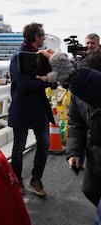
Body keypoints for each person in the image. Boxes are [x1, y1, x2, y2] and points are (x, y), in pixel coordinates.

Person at [8, 22, 56, 197]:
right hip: (22, 107)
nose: (44, 38)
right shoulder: (18, 56)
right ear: (36, 37)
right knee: (18, 148)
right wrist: (45, 80)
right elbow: (24, 84)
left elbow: (50, 79)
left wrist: (49, 79)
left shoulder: (40, 54)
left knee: (44, 144)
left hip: (38, 107)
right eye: (43, 35)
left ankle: (36, 179)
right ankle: (17, 180)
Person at [63, 49, 101, 207]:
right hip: (94, 156)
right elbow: (75, 123)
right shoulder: (77, 93)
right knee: (89, 189)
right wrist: (74, 152)